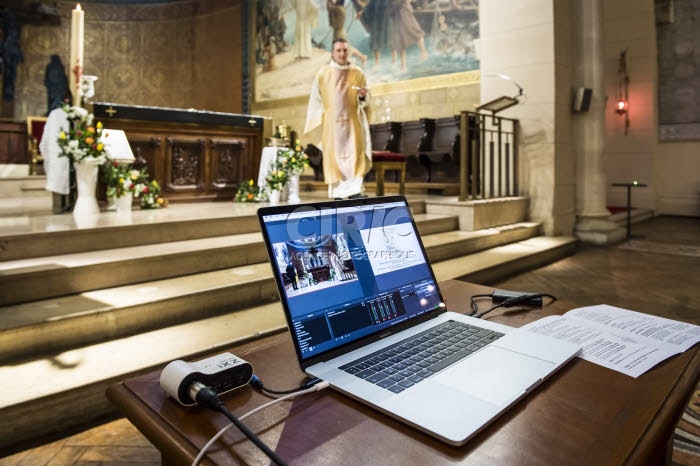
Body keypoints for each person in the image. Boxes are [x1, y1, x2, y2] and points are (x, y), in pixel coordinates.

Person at [304, 38, 372, 199]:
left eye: (345, 50)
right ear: (332, 53)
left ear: (349, 52)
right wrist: (320, 118)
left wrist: (363, 96)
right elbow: (315, 99)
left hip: (352, 124)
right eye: (339, 51)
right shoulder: (323, 74)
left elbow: (366, 99)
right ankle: (338, 193)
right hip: (332, 126)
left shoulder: (358, 73)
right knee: (335, 159)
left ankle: (355, 191)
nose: (342, 54)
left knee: (354, 156)